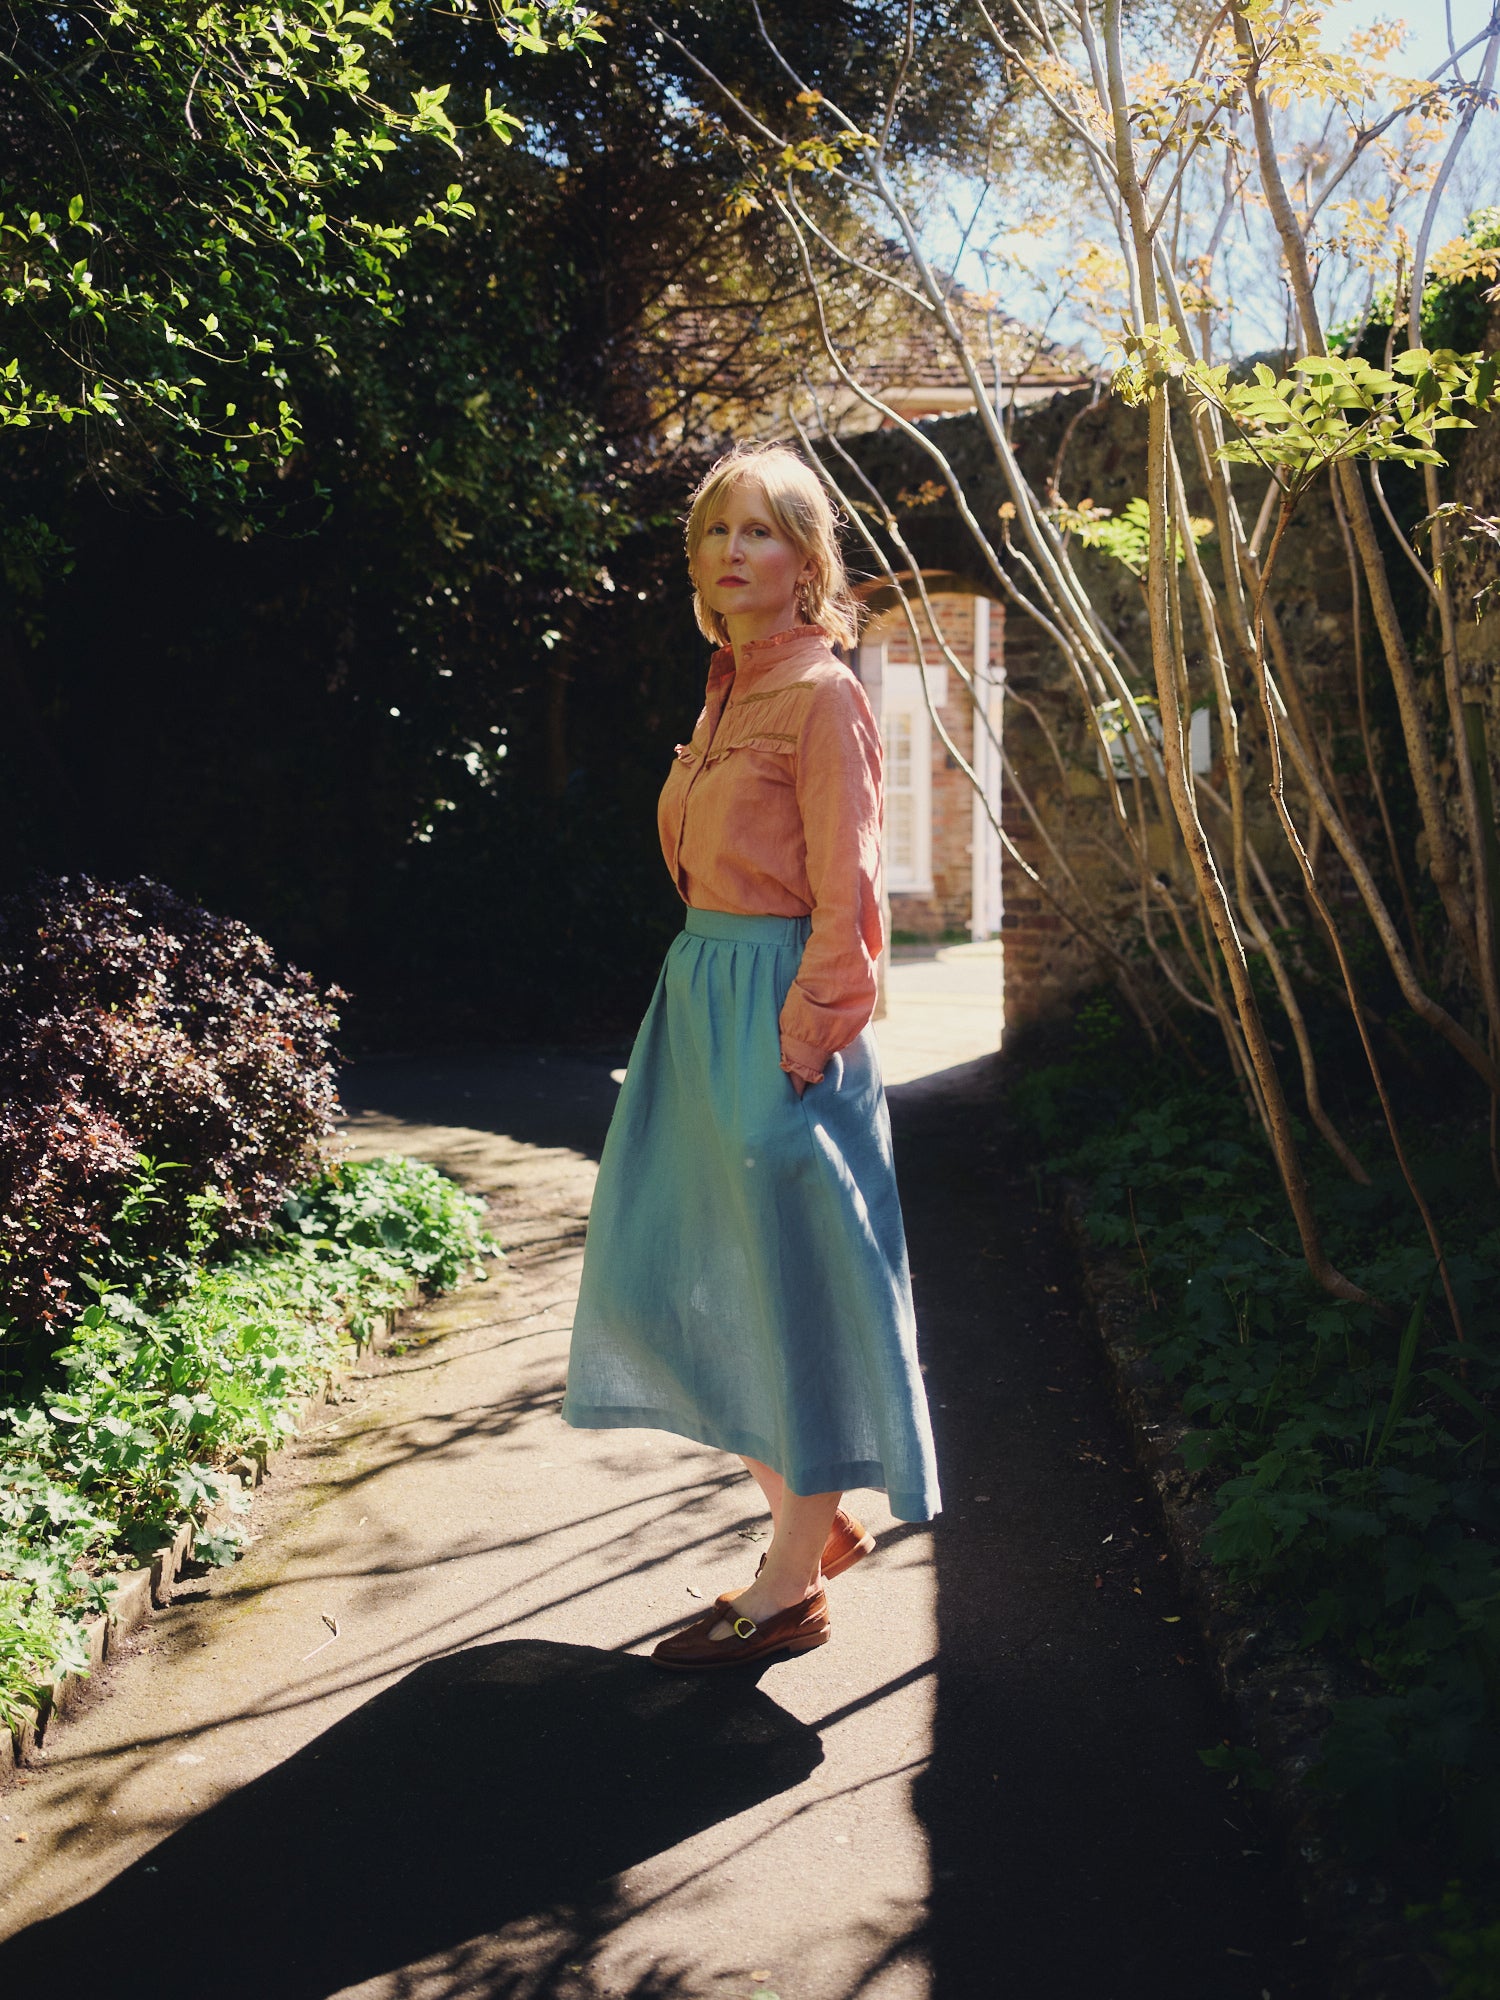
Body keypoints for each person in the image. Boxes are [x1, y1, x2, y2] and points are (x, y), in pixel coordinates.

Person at [561, 442, 940, 1669]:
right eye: (719, 530)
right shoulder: (727, 687)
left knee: (795, 1292)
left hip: (781, 1023)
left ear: (806, 558)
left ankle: (789, 1584)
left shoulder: (824, 694)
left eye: (763, 531)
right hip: (697, 1003)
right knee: (658, 1271)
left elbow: (851, 888)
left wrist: (800, 1049)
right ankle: (810, 1516)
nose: (734, 551)